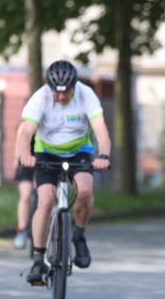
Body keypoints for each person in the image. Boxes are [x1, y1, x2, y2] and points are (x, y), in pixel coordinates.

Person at [15, 60, 112, 284]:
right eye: (56, 93)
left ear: (74, 87)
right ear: (49, 88)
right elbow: (26, 132)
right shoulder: (40, 98)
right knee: (46, 200)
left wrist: (104, 156)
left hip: (79, 152)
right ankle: (38, 259)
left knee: (85, 191)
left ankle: (78, 235)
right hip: (47, 153)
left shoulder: (86, 95)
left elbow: (101, 132)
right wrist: (25, 156)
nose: (61, 97)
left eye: (65, 92)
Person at [13, 135, 37, 249]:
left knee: (45, 194)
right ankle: (21, 231)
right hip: (26, 159)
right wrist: (18, 158)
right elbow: (20, 139)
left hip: (46, 159)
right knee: (26, 195)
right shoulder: (27, 123)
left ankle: (48, 230)